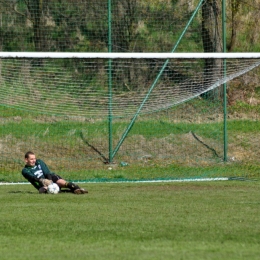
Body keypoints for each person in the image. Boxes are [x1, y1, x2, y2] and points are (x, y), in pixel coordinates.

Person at [22, 151, 88, 194]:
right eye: (31, 159)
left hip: (51, 178)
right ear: (26, 160)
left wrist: (50, 181)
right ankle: (70, 191)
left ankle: (77, 189)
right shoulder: (25, 170)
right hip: (42, 184)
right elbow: (32, 177)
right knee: (43, 191)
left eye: (34, 158)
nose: (34, 160)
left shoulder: (39, 162)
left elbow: (47, 172)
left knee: (60, 182)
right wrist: (42, 180)